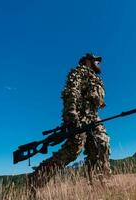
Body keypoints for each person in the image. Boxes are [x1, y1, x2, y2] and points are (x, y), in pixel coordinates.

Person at [28, 53, 111, 191]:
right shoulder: (79, 72)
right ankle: (35, 180)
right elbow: (71, 90)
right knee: (72, 151)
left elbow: (96, 100)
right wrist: (71, 111)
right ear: (87, 61)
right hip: (78, 117)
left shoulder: (96, 78)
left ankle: (100, 184)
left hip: (93, 118)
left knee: (102, 144)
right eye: (96, 60)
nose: (99, 63)